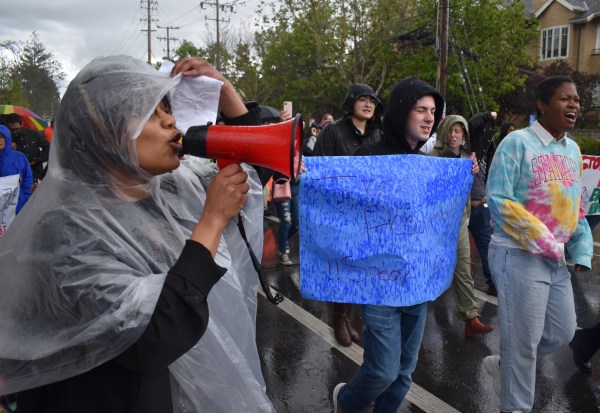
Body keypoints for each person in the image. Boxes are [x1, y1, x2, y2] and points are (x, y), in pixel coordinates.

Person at [0, 56, 275, 412]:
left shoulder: (164, 189)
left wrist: (224, 92)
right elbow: (152, 334)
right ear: (102, 129)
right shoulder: (62, 232)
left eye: (168, 108)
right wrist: (210, 222)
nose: (171, 120)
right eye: (149, 111)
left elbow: (252, 175)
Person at [333, 77, 469, 413]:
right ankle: (346, 402)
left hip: (417, 285)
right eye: (420, 109)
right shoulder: (368, 156)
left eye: (433, 112)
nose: (428, 118)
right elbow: (345, 214)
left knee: (404, 373)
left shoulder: (430, 166)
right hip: (380, 284)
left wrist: (459, 184)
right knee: (381, 371)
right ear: (399, 112)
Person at [484, 75, 592, 413]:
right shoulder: (517, 143)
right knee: (523, 343)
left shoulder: (573, 149)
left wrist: (579, 246)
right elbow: (499, 199)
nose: (573, 104)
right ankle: (515, 406)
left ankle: (506, 366)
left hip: (555, 258)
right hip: (517, 253)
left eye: (576, 99)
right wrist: (544, 240)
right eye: (565, 98)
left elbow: (574, 205)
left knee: (561, 332)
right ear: (542, 104)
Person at [313, 83, 383, 347]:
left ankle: (350, 319)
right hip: (340, 213)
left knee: (361, 268)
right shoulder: (333, 131)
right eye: (363, 99)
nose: (368, 104)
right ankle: (339, 319)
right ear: (351, 102)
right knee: (343, 267)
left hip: (368, 214)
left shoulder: (378, 133)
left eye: (373, 101)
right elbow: (318, 167)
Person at [428, 115, 494, 338]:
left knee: (463, 268)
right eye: (451, 130)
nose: (454, 135)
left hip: (458, 223)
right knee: (431, 266)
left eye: (459, 131)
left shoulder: (468, 159)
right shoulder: (432, 157)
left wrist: (472, 169)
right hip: (434, 225)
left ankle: (471, 317)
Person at [466, 111, 499, 296]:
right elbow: (471, 123)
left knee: (487, 246)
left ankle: (493, 282)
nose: (488, 132)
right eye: (485, 130)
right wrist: (488, 115)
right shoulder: (468, 148)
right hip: (464, 208)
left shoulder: (491, 150)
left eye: (491, 130)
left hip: (482, 205)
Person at [5, 113, 50, 182]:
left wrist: (38, 159)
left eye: (17, 129)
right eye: (11, 129)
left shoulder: (33, 133)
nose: (14, 132)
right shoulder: (5, 138)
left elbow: (48, 148)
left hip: (36, 174)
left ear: (21, 124)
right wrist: (8, 148)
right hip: (18, 177)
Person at [0, 125, 33, 214]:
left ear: (8, 138)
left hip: (18, 205)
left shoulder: (19, 157)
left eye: (2, 137)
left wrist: (26, 198)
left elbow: (28, 179)